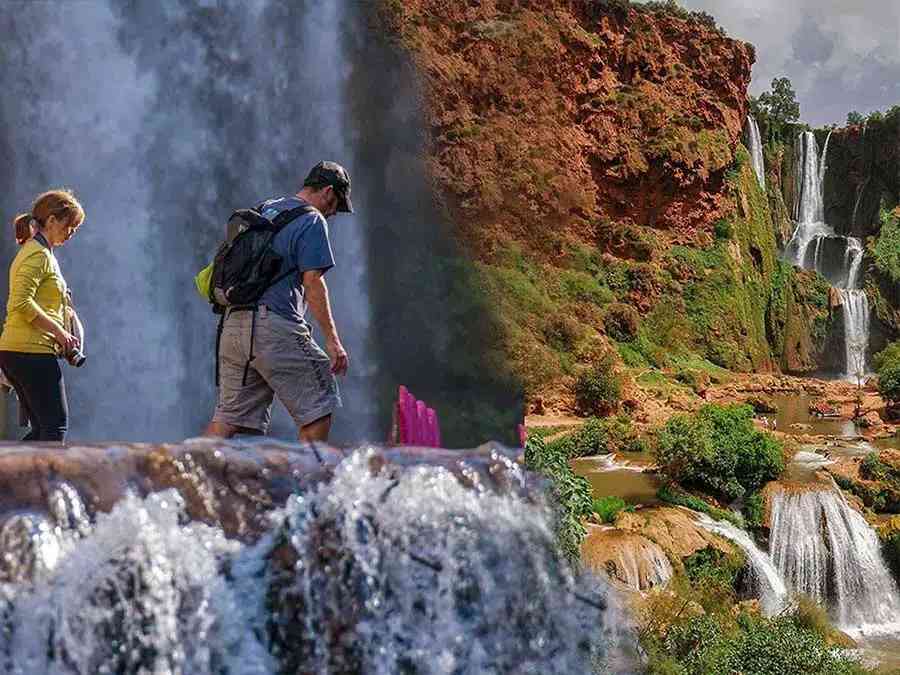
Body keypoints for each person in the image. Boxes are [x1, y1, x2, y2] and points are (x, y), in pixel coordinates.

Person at [205, 161, 353, 443]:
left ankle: (185, 467)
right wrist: (333, 341)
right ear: (327, 192)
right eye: (336, 205)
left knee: (227, 420)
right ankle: (308, 472)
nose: (334, 213)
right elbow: (313, 282)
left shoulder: (265, 209)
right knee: (320, 403)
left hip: (233, 324)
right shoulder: (312, 219)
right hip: (271, 326)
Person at [0, 189, 84, 441]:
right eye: (69, 225)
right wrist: (60, 334)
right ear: (52, 220)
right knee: (54, 429)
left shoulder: (39, 252)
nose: (72, 232)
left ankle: (12, 466)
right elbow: (20, 302)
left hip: (22, 351)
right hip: (30, 352)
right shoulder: (37, 254)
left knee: (42, 431)